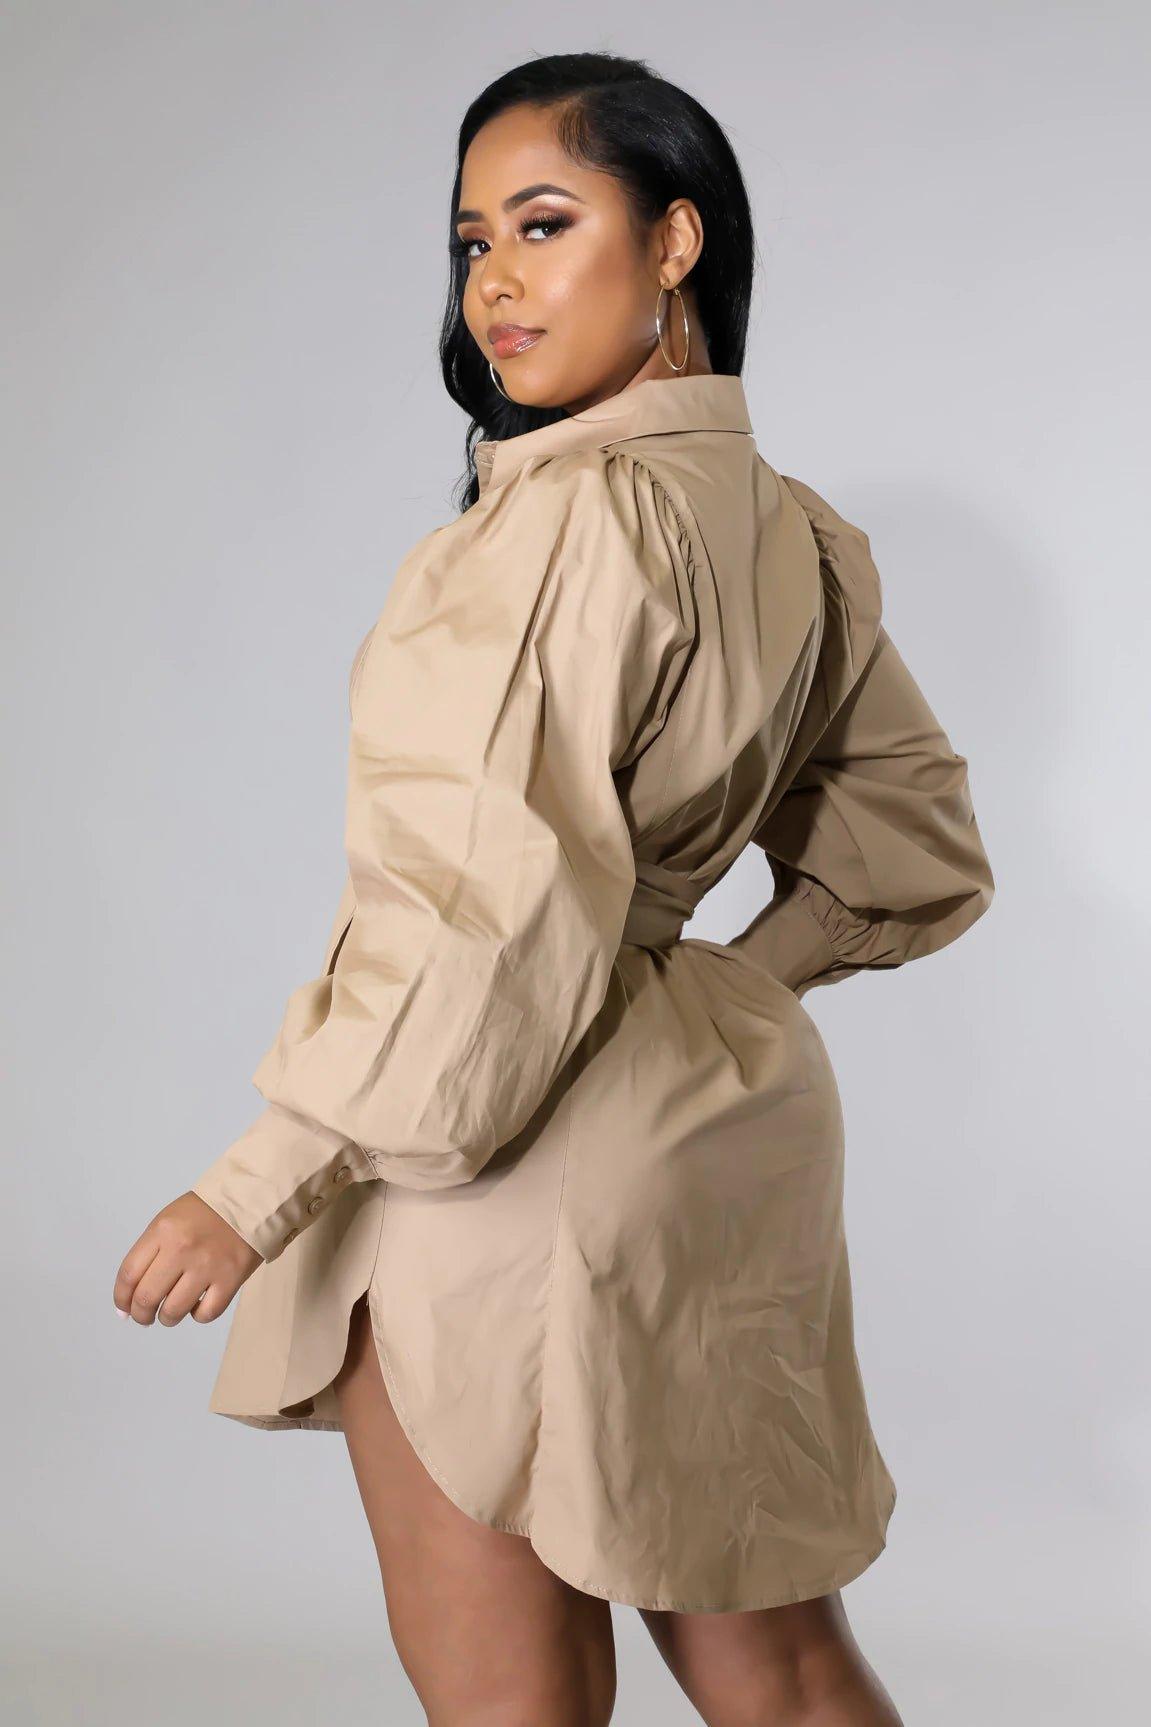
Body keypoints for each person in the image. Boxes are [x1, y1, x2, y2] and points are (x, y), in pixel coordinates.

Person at [113, 51, 994, 1727]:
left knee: (512, 1704)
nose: (495, 283)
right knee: (785, 1670)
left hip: (498, 1175)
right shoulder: (801, 537)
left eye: (542, 223)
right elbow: (914, 846)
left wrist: (257, 1185)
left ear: (675, 240)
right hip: (714, 1155)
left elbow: (478, 924)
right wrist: (713, 994)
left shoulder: (549, 530)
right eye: (470, 243)